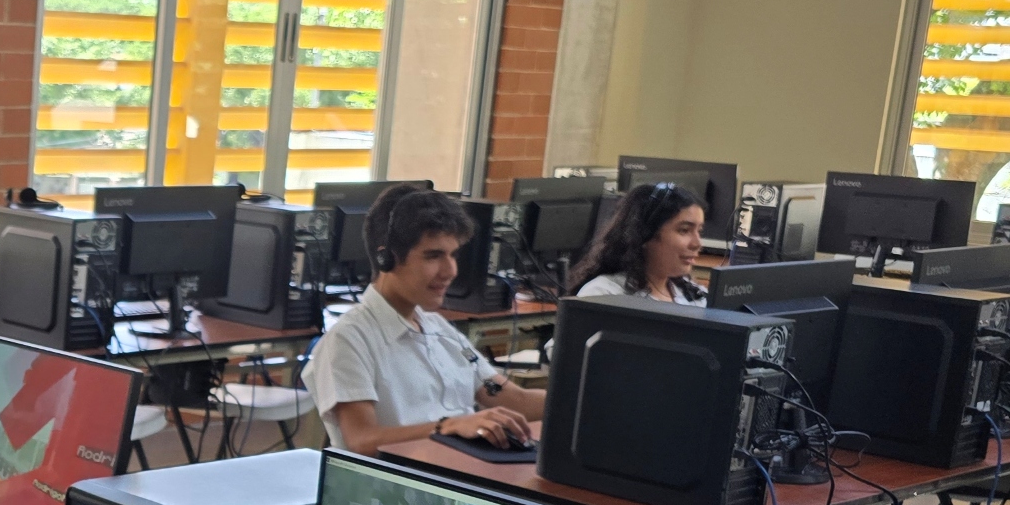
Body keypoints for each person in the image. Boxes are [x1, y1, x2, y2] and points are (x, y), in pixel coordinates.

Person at [303, 184, 547, 452]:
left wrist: (577, 400)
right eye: (433, 256)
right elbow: (362, 441)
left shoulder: (438, 329)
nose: (450, 271)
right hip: (403, 477)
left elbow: (512, 399)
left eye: (452, 255)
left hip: (460, 467)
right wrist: (448, 427)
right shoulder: (349, 339)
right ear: (386, 258)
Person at [569, 180, 708, 303]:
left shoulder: (696, 295)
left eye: (699, 231)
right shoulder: (603, 295)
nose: (697, 244)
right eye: (684, 230)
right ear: (646, 233)